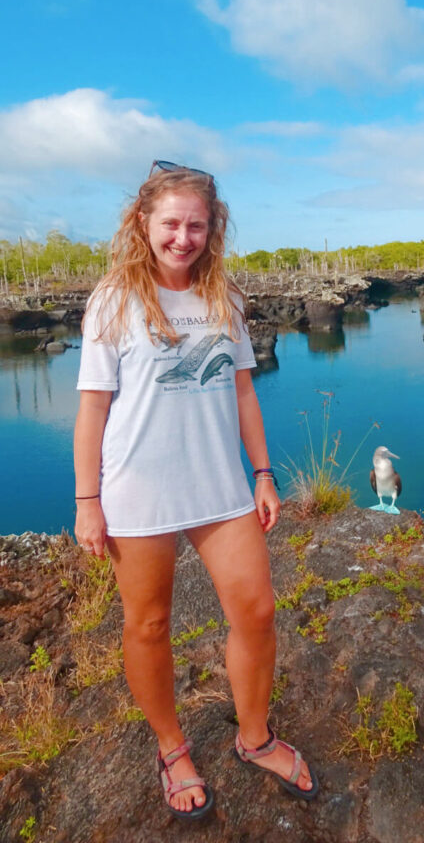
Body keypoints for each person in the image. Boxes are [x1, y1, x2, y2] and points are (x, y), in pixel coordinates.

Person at [73, 160, 319, 821]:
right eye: (172, 224)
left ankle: (254, 737)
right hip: (137, 493)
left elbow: (243, 392)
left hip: (220, 487)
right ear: (143, 223)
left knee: (257, 612)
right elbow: (93, 410)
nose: (184, 237)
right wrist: (87, 502)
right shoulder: (113, 299)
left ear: (213, 230)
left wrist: (263, 473)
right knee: (148, 624)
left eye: (197, 226)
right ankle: (171, 748)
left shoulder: (225, 300)